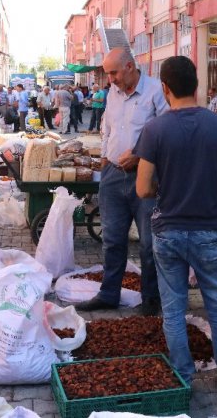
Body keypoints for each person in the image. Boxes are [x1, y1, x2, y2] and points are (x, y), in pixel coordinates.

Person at [134, 55, 217, 393]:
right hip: (208, 231)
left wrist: (167, 186)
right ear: (197, 85)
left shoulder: (155, 129)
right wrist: (209, 183)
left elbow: (142, 189)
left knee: (173, 309)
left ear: (165, 88)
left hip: (167, 231)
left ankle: (183, 376)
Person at [75, 47, 168, 316]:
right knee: (113, 240)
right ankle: (108, 294)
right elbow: (107, 128)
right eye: (108, 74)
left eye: (114, 73)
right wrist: (104, 161)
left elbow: (166, 131)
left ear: (130, 66)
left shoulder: (155, 91)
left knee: (149, 243)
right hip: (113, 175)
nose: (110, 79)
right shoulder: (113, 93)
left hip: (147, 176)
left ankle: (151, 298)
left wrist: (140, 154)